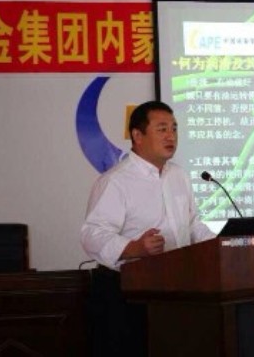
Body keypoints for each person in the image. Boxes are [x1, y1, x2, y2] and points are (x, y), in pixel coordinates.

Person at [80, 100, 215, 357]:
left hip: (177, 288)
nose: (171, 136)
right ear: (137, 135)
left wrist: (221, 245)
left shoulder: (179, 176)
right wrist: (134, 248)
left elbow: (192, 225)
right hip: (127, 294)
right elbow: (92, 234)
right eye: (162, 129)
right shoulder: (116, 181)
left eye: (174, 128)